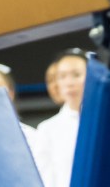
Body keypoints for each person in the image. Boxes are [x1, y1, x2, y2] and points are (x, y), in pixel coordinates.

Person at [35, 49, 88, 187]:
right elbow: (44, 179)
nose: (69, 82)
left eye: (76, 75)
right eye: (62, 76)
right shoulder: (47, 129)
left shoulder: (106, 121)